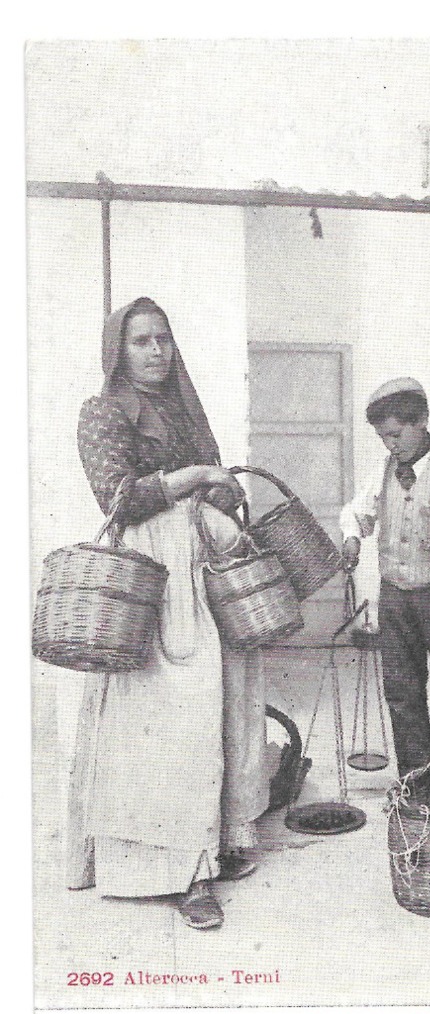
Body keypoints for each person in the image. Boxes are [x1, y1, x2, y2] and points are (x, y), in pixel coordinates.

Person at [69, 296, 272, 930]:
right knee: (168, 721)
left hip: (202, 563)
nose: (157, 352)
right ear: (117, 350)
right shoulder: (101, 413)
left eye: (163, 339)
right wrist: (193, 478)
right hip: (152, 574)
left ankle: (218, 841)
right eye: (141, 342)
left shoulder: (184, 406)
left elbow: (211, 480)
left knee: (228, 702)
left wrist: (221, 486)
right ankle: (180, 873)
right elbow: (119, 498)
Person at [340, 378, 430, 777]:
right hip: (395, 596)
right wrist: (353, 537)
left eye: (396, 434)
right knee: (402, 688)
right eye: (383, 437)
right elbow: (357, 512)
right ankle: (416, 775)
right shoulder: (382, 470)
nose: (390, 444)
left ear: (421, 421)